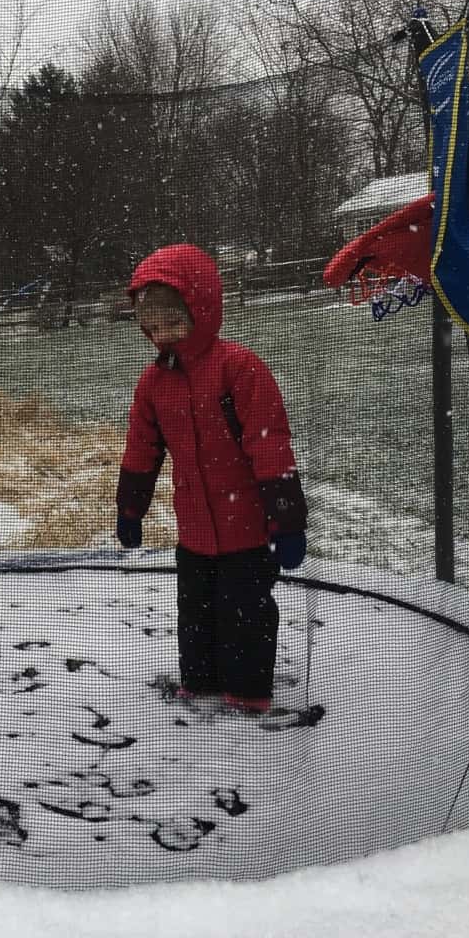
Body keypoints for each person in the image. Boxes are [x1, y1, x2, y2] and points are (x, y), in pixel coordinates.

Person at [115, 243, 306, 717]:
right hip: (195, 532)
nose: (163, 337)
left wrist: (287, 521)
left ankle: (248, 691)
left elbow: (269, 445)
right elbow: (142, 448)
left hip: (245, 531)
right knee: (196, 612)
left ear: (200, 312)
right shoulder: (154, 383)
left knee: (245, 614)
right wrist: (130, 507)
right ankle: (200, 680)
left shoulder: (238, 369)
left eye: (173, 324)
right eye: (153, 328)